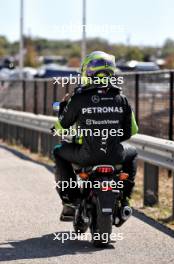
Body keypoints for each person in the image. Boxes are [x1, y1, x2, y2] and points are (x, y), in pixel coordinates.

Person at [53, 51, 138, 220]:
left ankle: (70, 200)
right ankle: (125, 198)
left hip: (86, 156)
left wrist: (63, 107)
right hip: (115, 155)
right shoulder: (122, 98)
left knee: (58, 151)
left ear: (87, 73)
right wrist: (109, 138)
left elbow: (61, 128)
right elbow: (131, 131)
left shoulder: (78, 98)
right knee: (133, 153)